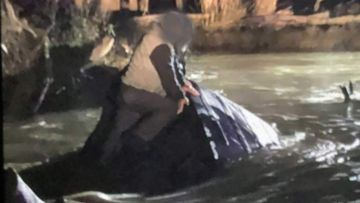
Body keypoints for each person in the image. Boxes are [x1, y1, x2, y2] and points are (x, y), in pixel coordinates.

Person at [100, 11, 200, 164]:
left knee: (120, 128)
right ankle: (138, 140)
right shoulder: (160, 45)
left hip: (128, 91)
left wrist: (183, 83)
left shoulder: (155, 37)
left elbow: (173, 67)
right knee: (171, 107)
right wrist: (180, 96)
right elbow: (167, 74)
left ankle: (104, 161)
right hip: (138, 93)